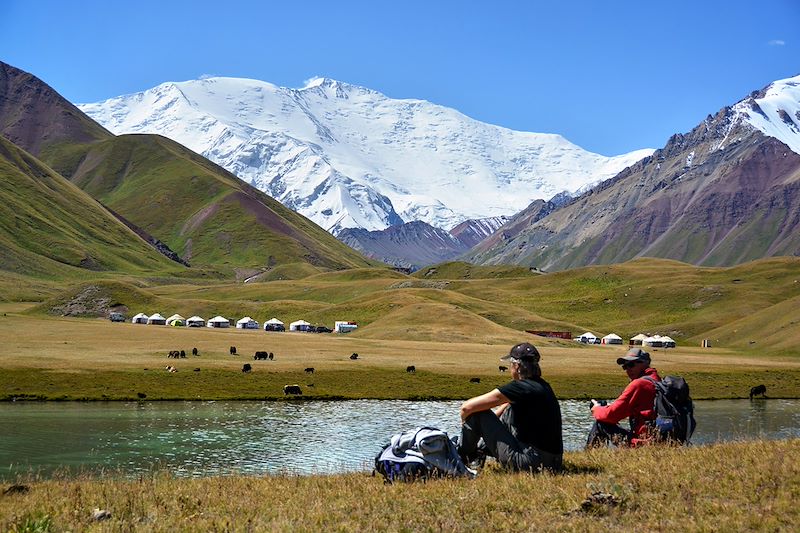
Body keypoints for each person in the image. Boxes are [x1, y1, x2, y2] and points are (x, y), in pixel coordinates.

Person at [457, 342, 563, 472]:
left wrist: (466, 421)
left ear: (517, 366)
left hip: (530, 463)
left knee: (477, 413)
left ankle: (460, 459)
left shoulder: (520, 388)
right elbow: (501, 416)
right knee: (508, 410)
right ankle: (479, 451)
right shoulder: (544, 386)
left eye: (511, 364)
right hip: (554, 462)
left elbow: (466, 408)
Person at [586, 348, 661, 448]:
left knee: (601, 424)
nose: (628, 370)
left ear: (644, 364)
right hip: (659, 441)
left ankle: (590, 457)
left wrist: (596, 409)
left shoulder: (639, 384)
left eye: (631, 365)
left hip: (643, 444)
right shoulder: (657, 381)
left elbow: (610, 416)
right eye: (625, 366)